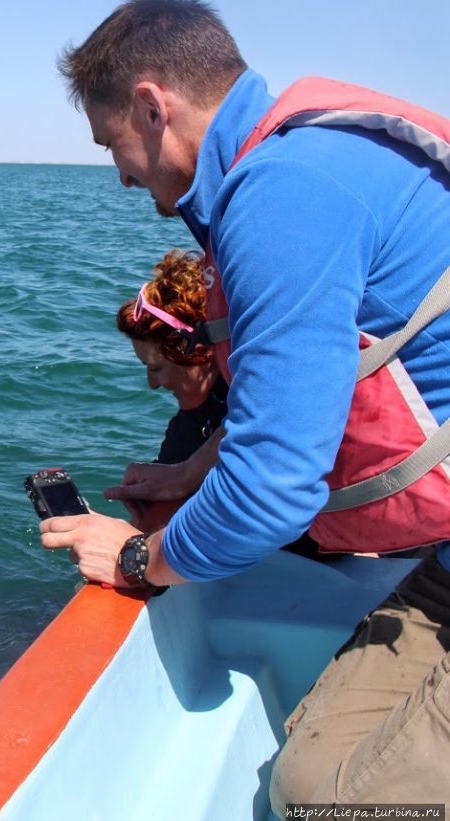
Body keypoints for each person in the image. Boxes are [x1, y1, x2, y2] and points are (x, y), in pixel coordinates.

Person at [42, 0, 450, 810]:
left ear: (154, 107)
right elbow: (302, 396)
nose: (119, 174)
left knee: (325, 792)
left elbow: (272, 491)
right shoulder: (317, 157)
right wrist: (193, 469)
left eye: (111, 144)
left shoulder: (283, 192)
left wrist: (134, 560)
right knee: (310, 753)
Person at [115, 248, 227, 533]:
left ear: (199, 351)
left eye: (155, 367)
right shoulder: (191, 424)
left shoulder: (257, 417)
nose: (152, 384)